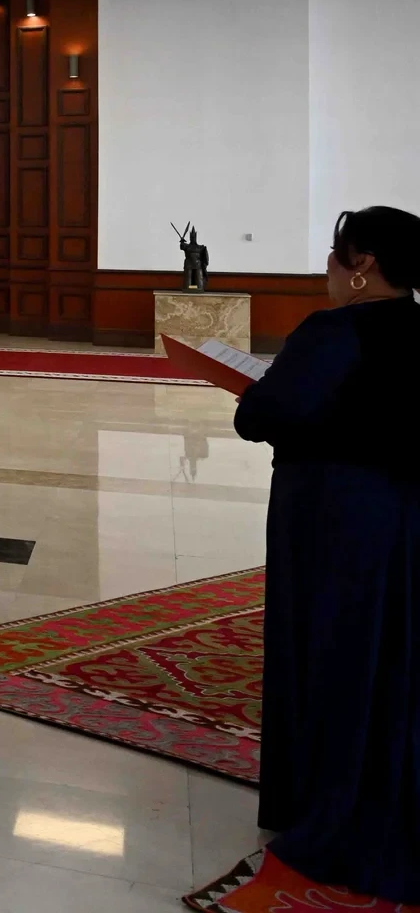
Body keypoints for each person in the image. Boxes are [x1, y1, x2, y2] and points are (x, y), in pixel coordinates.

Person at [235, 205, 420, 905]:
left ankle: (323, 797)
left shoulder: (334, 331)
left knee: (328, 646)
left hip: (335, 517)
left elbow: (260, 416)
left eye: (336, 254)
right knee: (393, 648)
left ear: (362, 264)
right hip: (405, 512)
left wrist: (260, 392)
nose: (328, 268)